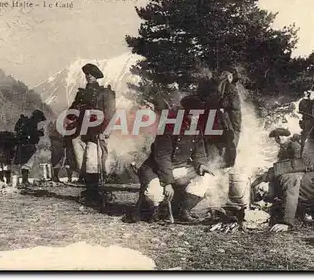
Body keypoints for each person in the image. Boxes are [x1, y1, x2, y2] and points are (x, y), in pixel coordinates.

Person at [123, 95, 213, 224]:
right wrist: (168, 182)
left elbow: (199, 151)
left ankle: (184, 210)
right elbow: (162, 158)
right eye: (193, 114)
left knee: (206, 177)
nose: (196, 117)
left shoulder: (196, 128)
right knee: (154, 195)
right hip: (156, 169)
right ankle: (157, 211)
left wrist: (201, 165)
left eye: (198, 114)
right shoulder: (169, 127)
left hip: (180, 168)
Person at [66, 63, 115, 205]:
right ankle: (90, 191)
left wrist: (105, 131)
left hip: (96, 132)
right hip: (80, 132)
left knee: (92, 161)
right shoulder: (81, 93)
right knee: (82, 162)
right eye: (87, 74)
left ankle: (95, 193)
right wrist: (70, 119)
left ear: (96, 76)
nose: (88, 77)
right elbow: (72, 110)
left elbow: (110, 114)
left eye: (91, 74)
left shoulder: (105, 93)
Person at [197, 66, 241, 168]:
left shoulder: (207, 86)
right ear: (229, 76)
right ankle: (226, 166)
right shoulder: (230, 88)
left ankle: (211, 165)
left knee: (212, 146)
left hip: (210, 121)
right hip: (224, 122)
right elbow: (235, 109)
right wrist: (237, 129)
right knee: (228, 147)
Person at [14, 109, 46, 187]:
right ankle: (24, 181)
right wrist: (40, 133)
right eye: (39, 119)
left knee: (24, 162)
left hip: (22, 144)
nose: (39, 121)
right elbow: (33, 135)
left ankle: (24, 181)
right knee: (28, 163)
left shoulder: (25, 122)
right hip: (28, 145)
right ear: (37, 117)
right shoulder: (32, 123)